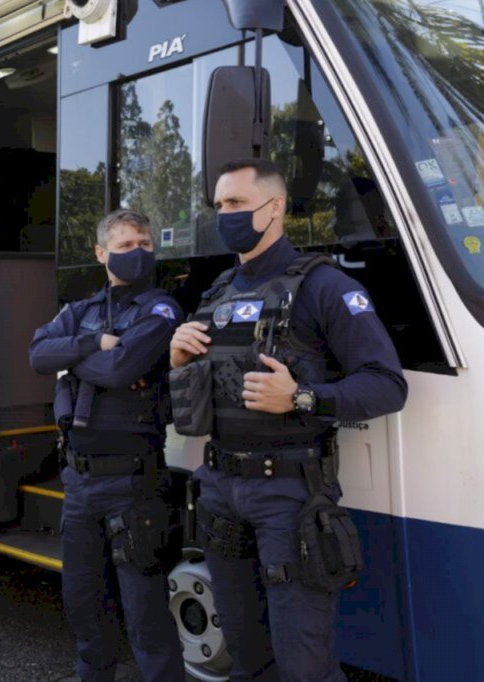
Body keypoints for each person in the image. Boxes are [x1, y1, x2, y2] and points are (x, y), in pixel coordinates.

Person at [169, 158, 408, 681]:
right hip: (219, 491)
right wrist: (180, 359)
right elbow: (203, 392)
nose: (224, 214)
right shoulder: (218, 293)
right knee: (247, 655)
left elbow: (388, 384)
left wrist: (300, 398)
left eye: (235, 203)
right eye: (219, 205)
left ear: (273, 207)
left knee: (304, 664)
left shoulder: (324, 287)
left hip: (289, 497)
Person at [29, 209, 185, 682]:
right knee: (84, 607)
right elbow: (37, 354)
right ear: (101, 254)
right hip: (78, 484)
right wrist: (97, 343)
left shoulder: (161, 309)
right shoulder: (82, 311)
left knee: (146, 619)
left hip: (134, 483)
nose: (136, 252)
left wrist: (74, 359)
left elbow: (120, 370)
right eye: (124, 245)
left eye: (143, 243)